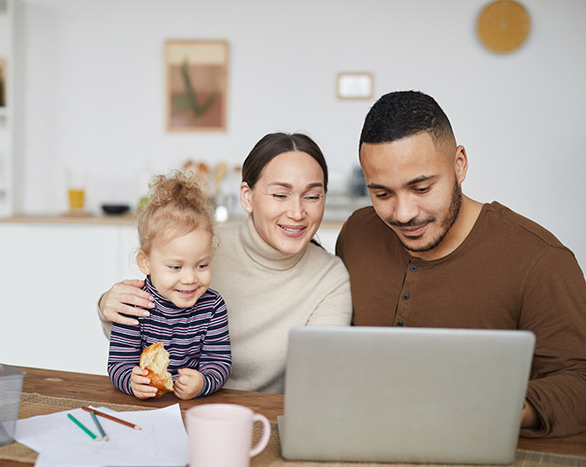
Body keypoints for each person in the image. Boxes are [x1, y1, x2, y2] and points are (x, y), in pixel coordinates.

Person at [336, 90, 586, 438]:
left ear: (460, 164)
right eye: (382, 194)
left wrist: (491, 408)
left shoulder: (541, 260)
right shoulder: (357, 233)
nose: (403, 213)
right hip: (361, 439)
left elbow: (579, 380)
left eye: (421, 188)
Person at [99, 133, 353, 393]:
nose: (297, 213)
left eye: (312, 196)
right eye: (280, 195)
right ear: (247, 196)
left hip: (258, 415)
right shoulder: (200, 248)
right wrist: (107, 303)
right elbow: (143, 329)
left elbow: (319, 379)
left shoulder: (329, 279)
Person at [107, 172, 231, 400]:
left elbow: (219, 363)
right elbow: (118, 364)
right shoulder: (134, 304)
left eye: (201, 265)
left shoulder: (213, 307)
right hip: (144, 407)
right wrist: (131, 381)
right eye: (176, 267)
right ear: (146, 262)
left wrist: (203, 382)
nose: (190, 278)